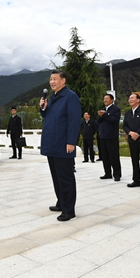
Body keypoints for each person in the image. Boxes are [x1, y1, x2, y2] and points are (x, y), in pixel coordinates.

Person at [40, 69, 81, 222]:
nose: (52, 82)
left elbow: (74, 120)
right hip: (52, 143)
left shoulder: (70, 97)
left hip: (63, 144)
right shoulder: (53, 97)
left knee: (65, 177)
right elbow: (48, 116)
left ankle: (69, 209)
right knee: (56, 177)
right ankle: (61, 202)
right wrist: (43, 108)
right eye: (51, 79)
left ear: (63, 80)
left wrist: (71, 141)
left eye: (55, 79)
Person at [97, 93, 122, 181]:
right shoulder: (102, 110)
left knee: (114, 156)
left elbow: (114, 120)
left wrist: (105, 115)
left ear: (112, 100)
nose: (105, 100)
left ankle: (117, 174)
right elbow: (98, 122)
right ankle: (107, 173)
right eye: (104, 99)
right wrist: (100, 115)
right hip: (103, 136)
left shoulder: (116, 109)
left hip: (112, 136)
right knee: (105, 156)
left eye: (107, 98)